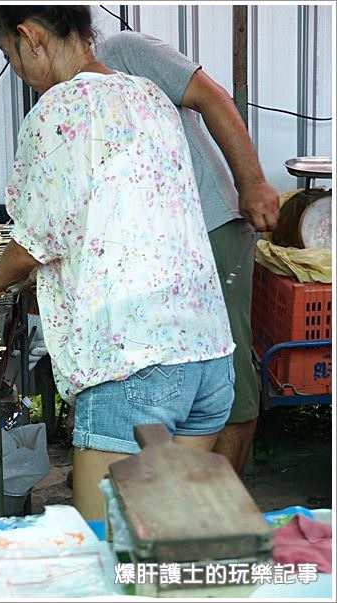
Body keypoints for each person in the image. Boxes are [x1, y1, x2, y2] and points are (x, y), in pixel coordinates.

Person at [0, 5, 236, 520]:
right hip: (206, 353)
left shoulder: (60, 108)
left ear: (30, 36)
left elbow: (35, 241)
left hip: (132, 364)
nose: (18, 71)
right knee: (167, 532)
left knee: (105, 548)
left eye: (10, 56)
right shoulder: (150, 95)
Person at [91, 31, 280, 475]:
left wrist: (251, 181)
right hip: (162, 244)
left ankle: (223, 497)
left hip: (210, 224)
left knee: (227, 361)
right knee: (177, 365)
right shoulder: (72, 94)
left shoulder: (121, 51)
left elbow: (211, 97)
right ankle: (182, 491)